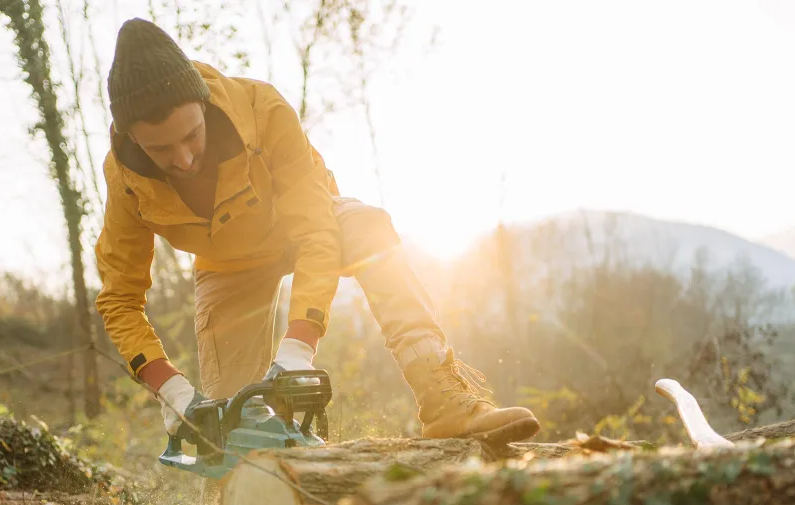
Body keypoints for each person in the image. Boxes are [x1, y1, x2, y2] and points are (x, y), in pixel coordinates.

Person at [94, 18, 540, 446]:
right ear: (132, 138)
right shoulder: (124, 180)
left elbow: (314, 231)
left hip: (305, 227)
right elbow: (119, 296)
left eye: (192, 135)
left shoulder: (262, 109)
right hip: (227, 268)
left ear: (204, 105)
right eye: (162, 149)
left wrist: (299, 344)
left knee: (368, 226)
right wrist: (165, 383)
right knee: (231, 426)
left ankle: (442, 396)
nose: (185, 158)